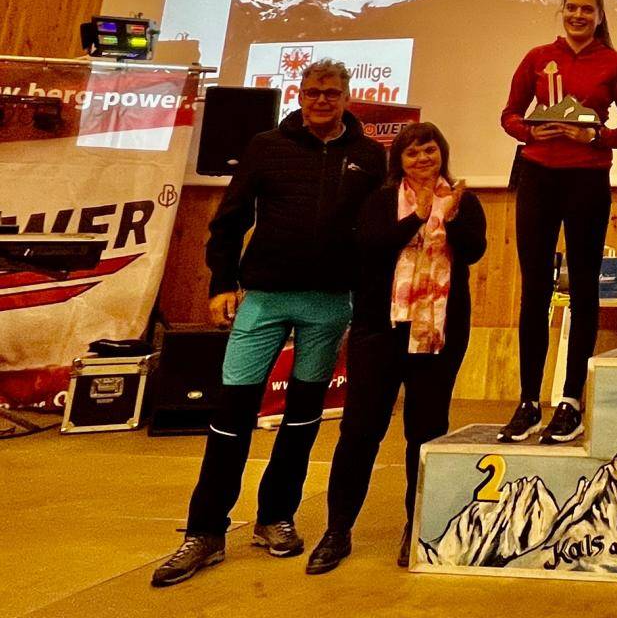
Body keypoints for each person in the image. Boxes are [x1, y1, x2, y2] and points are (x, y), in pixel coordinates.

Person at [151, 60, 385, 587]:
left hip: (328, 304)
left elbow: (375, 233)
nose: (321, 100)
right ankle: (205, 532)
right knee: (229, 415)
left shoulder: (369, 157)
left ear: (348, 96)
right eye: (311, 92)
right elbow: (230, 218)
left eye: (331, 92)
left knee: (302, 422)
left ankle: (275, 518)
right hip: (262, 300)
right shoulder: (265, 146)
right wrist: (220, 284)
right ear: (299, 96)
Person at [306, 122, 487, 574]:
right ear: (399, 161)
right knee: (360, 432)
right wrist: (417, 215)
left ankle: (418, 528)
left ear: (442, 154)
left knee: (424, 433)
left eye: (430, 150)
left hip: (438, 334)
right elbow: (371, 247)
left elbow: (473, 252)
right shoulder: (382, 200)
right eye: (413, 153)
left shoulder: (465, 200)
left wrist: (451, 216)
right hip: (379, 331)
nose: (423, 158)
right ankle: (337, 531)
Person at [497, 0, 617, 443]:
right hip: (539, 178)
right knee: (536, 289)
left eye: (588, 9)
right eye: (572, 8)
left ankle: (570, 401)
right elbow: (509, 114)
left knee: (584, 289)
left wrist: (596, 137)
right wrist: (528, 133)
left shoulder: (615, 64)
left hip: (587, 180)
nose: (578, 15)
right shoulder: (539, 56)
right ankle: (527, 402)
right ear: (562, 12)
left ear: (600, 16)